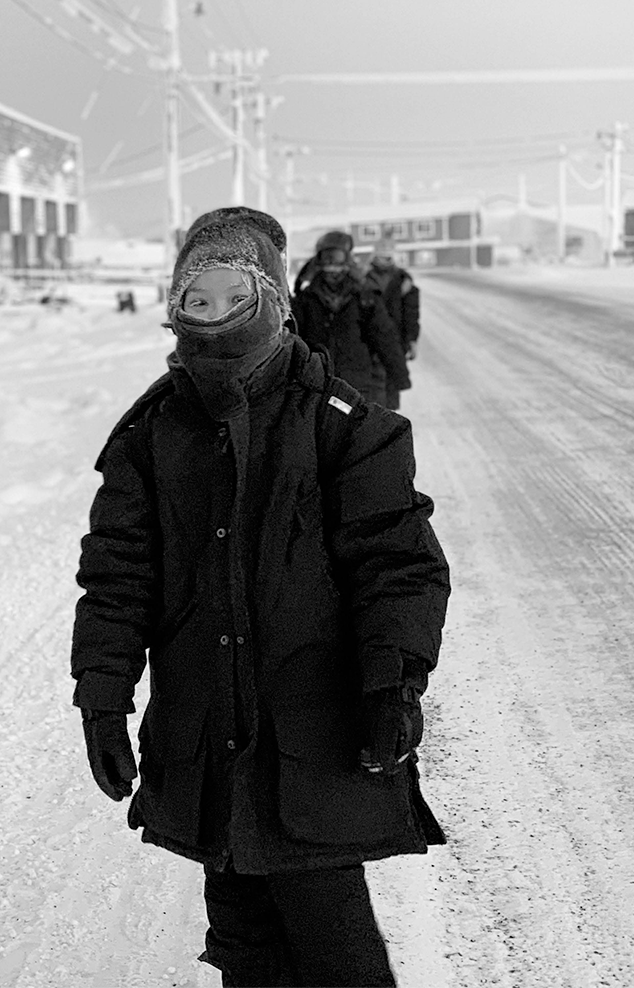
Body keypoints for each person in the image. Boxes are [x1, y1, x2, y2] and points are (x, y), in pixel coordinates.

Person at [71, 208, 450, 987]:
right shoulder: (149, 436)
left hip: (317, 731)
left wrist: (393, 681)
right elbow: (117, 579)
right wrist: (101, 699)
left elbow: (397, 564)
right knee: (244, 944)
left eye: (230, 294)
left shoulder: (346, 426)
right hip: (207, 737)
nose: (210, 316)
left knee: (333, 941)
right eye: (193, 298)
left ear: (273, 299)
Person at [290, 234, 409, 407]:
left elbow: (385, 337)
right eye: (327, 259)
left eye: (337, 259)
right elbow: (294, 341)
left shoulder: (365, 297)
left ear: (347, 261)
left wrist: (399, 376)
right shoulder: (305, 300)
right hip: (318, 387)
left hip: (357, 385)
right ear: (318, 262)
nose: (332, 267)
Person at [363, 238, 421, 411]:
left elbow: (411, 314)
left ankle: (389, 423)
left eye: (388, 255)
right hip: (369, 342)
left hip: (395, 342)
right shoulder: (363, 278)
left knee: (391, 386)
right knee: (370, 390)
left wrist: (412, 340)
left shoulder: (404, 281)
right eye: (381, 254)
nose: (384, 258)